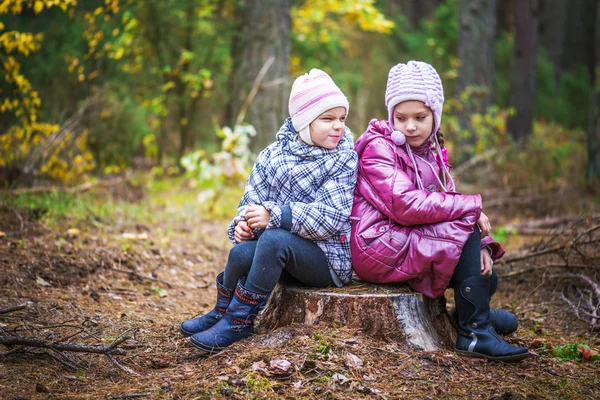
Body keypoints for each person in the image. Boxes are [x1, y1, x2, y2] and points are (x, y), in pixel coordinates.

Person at [350, 60, 528, 362]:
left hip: (402, 236)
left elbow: (445, 201)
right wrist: (471, 210)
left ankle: (470, 315)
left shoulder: (429, 151)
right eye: (401, 117)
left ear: (435, 114)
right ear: (390, 115)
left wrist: (481, 246)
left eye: (420, 117)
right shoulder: (379, 148)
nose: (409, 126)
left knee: (486, 277)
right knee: (466, 232)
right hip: (377, 243)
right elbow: (404, 205)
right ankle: (475, 334)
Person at [179, 69, 358, 354]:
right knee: (240, 252)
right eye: (327, 119)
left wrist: (275, 215)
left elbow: (332, 217)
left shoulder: (344, 157)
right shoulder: (272, 156)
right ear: (303, 122)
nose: (338, 126)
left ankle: (238, 323)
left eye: (342, 118)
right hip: (282, 257)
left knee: (274, 239)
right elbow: (252, 200)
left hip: (325, 258)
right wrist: (243, 224)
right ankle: (222, 312)